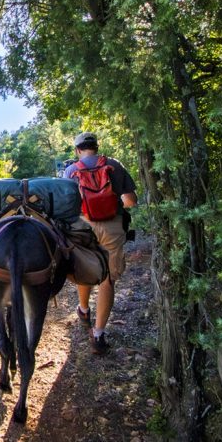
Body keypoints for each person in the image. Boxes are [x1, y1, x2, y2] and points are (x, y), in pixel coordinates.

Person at [64, 132, 137, 354]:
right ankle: (98, 335)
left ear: (78, 150)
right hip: (112, 228)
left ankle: (84, 310)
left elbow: (66, 207)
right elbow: (130, 201)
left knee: (86, 270)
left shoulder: (70, 171)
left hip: (83, 228)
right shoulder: (114, 165)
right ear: (96, 147)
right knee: (107, 280)